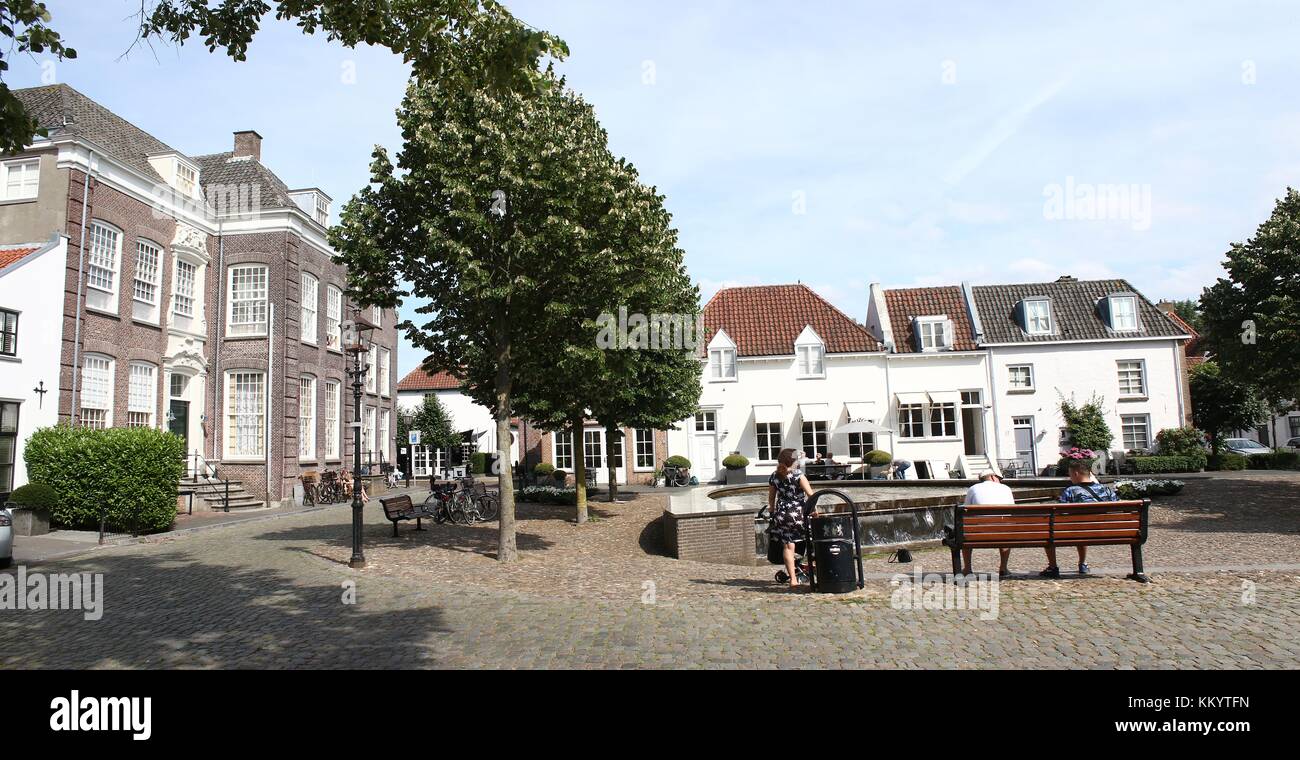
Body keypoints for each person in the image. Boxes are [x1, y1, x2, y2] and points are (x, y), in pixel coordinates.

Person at [1043, 460, 1117, 577]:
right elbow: (1117, 506)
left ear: (1076, 474)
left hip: (1079, 531)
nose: (1070, 477)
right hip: (1108, 531)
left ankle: (1053, 567)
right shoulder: (1106, 489)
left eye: (1070, 474)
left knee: (1049, 531)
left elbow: (1060, 513)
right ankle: (1082, 563)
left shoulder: (1071, 491)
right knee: (1081, 526)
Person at [768, 447, 816, 589]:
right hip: (799, 514)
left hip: (782, 515)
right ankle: (813, 567)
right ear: (793, 461)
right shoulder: (798, 475)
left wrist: (772, 511)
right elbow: (811, 496)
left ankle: (793, 580)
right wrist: (815, 511)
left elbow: (771, 499)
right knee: (811, 540)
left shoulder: (774, 476)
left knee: (788, 546)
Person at [960, 472, 1015, 578]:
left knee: (965, 532)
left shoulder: (973, 488)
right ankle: (1003, 568)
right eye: (999, 479)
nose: (1000, 481)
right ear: (993, 477)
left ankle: (967, 568)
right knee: (1004, 528)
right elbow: (1011, 511)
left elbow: (965, 510)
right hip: (1003, 532)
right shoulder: (1006, 488)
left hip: (979, 533)